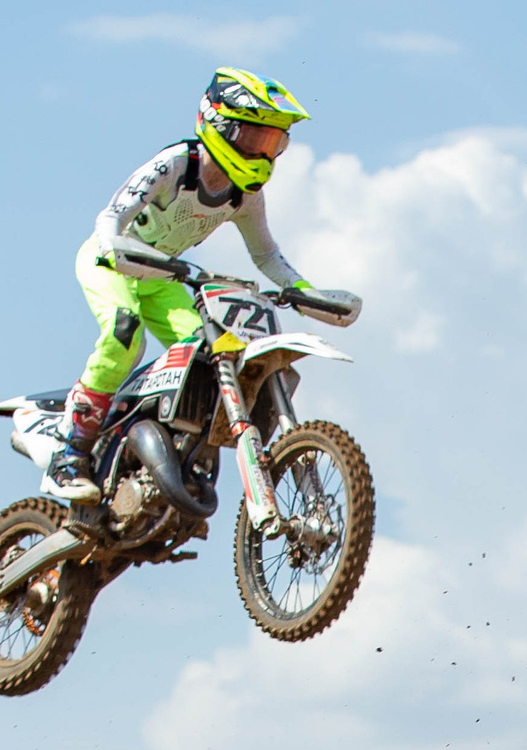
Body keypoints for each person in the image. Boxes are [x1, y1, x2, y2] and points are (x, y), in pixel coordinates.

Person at [44, 67, 360, 505]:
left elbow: (266, 254)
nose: (263, 152)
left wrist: (305, 291)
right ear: (219, 125)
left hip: (162, 280)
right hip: (110, 263)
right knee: (124, 333)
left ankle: (168, 449)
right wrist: (117, 246)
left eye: (272, 143)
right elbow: (108, 218)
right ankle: (69, 452)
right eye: (254, 138)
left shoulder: (244, 194)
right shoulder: (176, 164)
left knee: (213, 358)